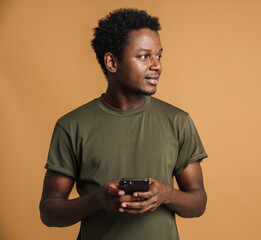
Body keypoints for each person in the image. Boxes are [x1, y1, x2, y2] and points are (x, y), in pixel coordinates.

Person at [39, 8, 207, 240]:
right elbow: (49, 212)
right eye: (144, 56)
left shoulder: (178, 121)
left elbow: (198, 202)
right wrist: (98, 200)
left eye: (159, 55)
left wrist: (165, 195)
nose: (156, 65)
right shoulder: (72, 126)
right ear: (112, 62)